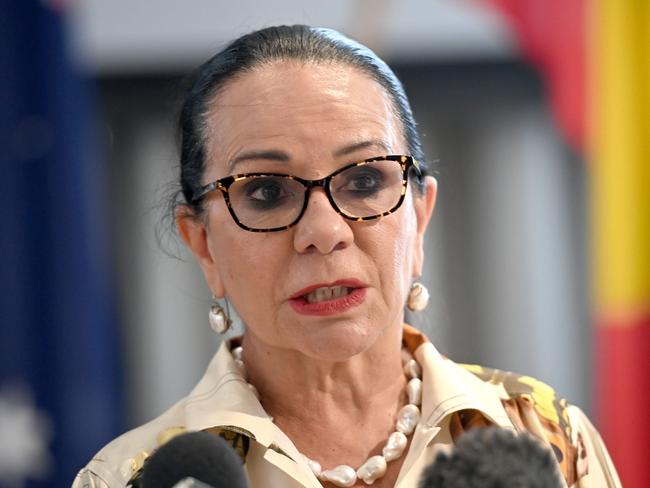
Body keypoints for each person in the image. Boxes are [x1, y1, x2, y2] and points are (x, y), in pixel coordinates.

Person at [73, 25, 620, 488]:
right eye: (266, 192)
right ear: (203, 245)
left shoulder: (547, 438)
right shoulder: (129, 478)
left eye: (364, 180)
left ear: (420, 218)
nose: (325, 231)